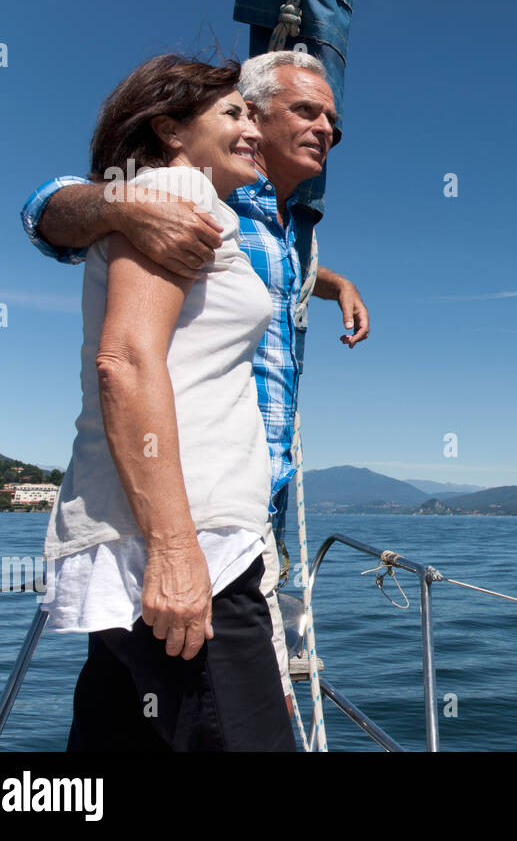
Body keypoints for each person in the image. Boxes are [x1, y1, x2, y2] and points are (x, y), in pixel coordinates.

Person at [20, 50, 371, 712]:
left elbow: (263, 277)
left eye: (334, 121)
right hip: (192, 527)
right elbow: (48, 214)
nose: (327, 128)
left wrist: (336, 284)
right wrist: (121, 200)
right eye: (304, 111)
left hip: (235, 515)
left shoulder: (285, 230)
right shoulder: (185, 194)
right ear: (253, 119)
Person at [42, 54, 294, 750]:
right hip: (192, 549)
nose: (254, 129)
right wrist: (177, 553)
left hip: (150, 542)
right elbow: (125, 362)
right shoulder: (179, 190)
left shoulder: (174, 199)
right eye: (235, 114)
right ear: (171, 131)